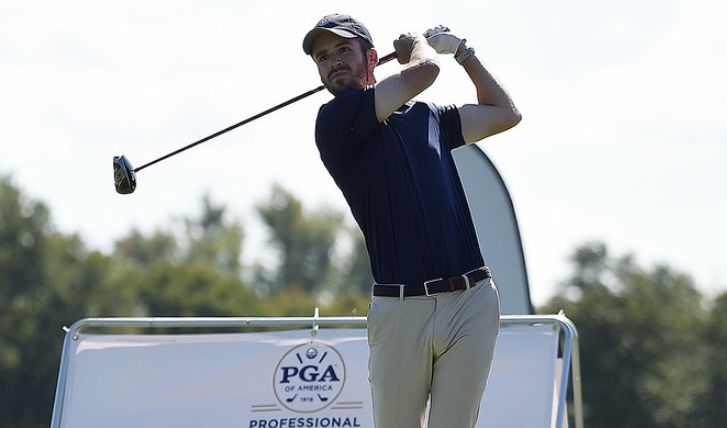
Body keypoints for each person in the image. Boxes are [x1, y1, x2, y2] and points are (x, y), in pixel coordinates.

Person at [302, 14, 521, 428]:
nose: (333, 62)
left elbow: (504, 113)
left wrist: (464, 53)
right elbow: (426, 71)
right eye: (323, 57)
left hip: (470, 301)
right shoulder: (334, 119)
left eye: (343, 50)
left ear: (371, 58)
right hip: (400, 309)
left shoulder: (428, 116)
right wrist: (418, 46)